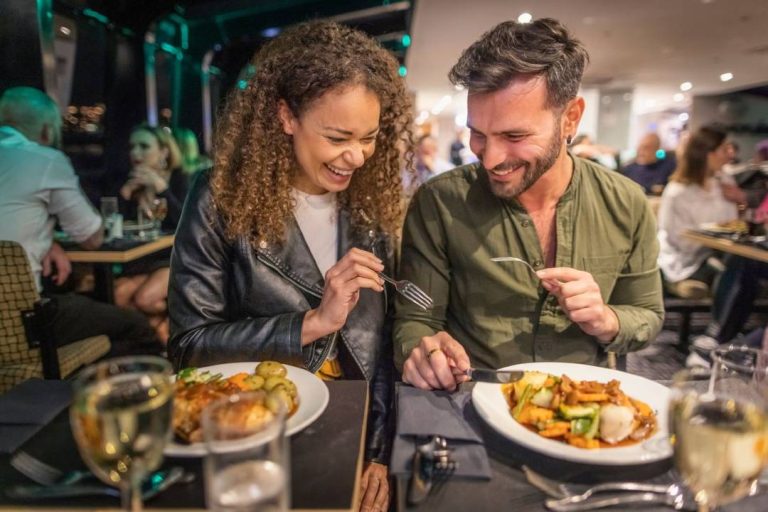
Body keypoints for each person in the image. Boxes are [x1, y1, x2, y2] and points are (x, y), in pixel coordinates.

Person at [167, 21, 414, 512]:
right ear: (286, 116)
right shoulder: (220, 199)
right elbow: (189, 347)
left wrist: (380, 453)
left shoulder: (370, 208)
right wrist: (310, 325)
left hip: (356, 427)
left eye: (369, 137)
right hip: (256, 433)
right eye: (338, 136)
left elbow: (382, 349)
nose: (357, 157)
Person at [392, 18, 664, 391]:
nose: (489, 159)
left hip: (583, 408)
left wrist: (606, 319)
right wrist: (421, 351)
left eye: (515, 135)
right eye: (478, 134)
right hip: (473, 403)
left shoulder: (626, 202)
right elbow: (415, 319)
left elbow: (647, 315)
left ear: (570, 118)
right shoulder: (441, 201)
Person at [0, 86, 159, 354]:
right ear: (48, 131)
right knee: (137, 326)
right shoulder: (44, 159)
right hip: (22, 319)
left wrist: (47, 239)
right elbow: (92, 237)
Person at [114, 124, 189, 342]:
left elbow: (189, 223)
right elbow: (118, 228)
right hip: (143, 259)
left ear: (164, 151)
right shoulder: (132, 184)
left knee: (145, 299)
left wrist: (161, 188)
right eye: (133, 147)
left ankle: (169, 329)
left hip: (175, 258)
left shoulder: (180, 179)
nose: (136, 153)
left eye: (144, 146)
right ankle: (158, 336)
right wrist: (124, 197)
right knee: (118, 295)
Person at [657, 126, 740, 299]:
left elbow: (732, 223)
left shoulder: (725, 182)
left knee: (743, 267)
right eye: (725, 149)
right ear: (708, 154)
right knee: (735, 271)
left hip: (718, 252)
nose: (730, 154)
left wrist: (740, 200)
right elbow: (680, 240)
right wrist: (715, 236)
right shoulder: (678, 191)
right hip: (686, 260)